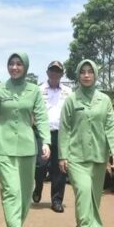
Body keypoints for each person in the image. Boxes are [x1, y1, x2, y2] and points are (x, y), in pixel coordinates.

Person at [0, 53, 50, 227]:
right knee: (11, 191)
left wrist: (46, 141)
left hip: (26, 147)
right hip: (3, 146)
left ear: (25, 67)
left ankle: (15, 226)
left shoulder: (34, 91)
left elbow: (41, 116)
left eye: (18, 64)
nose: (14, 67)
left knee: (25, 192)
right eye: (11, 64)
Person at [59, 60, 114, 227]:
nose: (86, 75)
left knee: (94, 197)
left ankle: (82, 226)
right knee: (84, 192)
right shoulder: (71, 100)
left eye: (90, 72)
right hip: (76, 156)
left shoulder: (104, 100)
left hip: (98, 156)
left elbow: (111, 127)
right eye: (83, 72)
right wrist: (62, 155)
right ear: (78, 75)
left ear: (95, 75)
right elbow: (65, 129)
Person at [33, 60, 72, 212]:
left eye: (58, 71)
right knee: (40, 165)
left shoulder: (68, 92)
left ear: (62, 74)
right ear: (47, 72)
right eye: (52, 70)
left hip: (61, 133)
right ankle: (38, 187)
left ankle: (56, 200)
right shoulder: (38, 90)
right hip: (43, 133)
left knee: (59, 168)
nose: (55, 73)